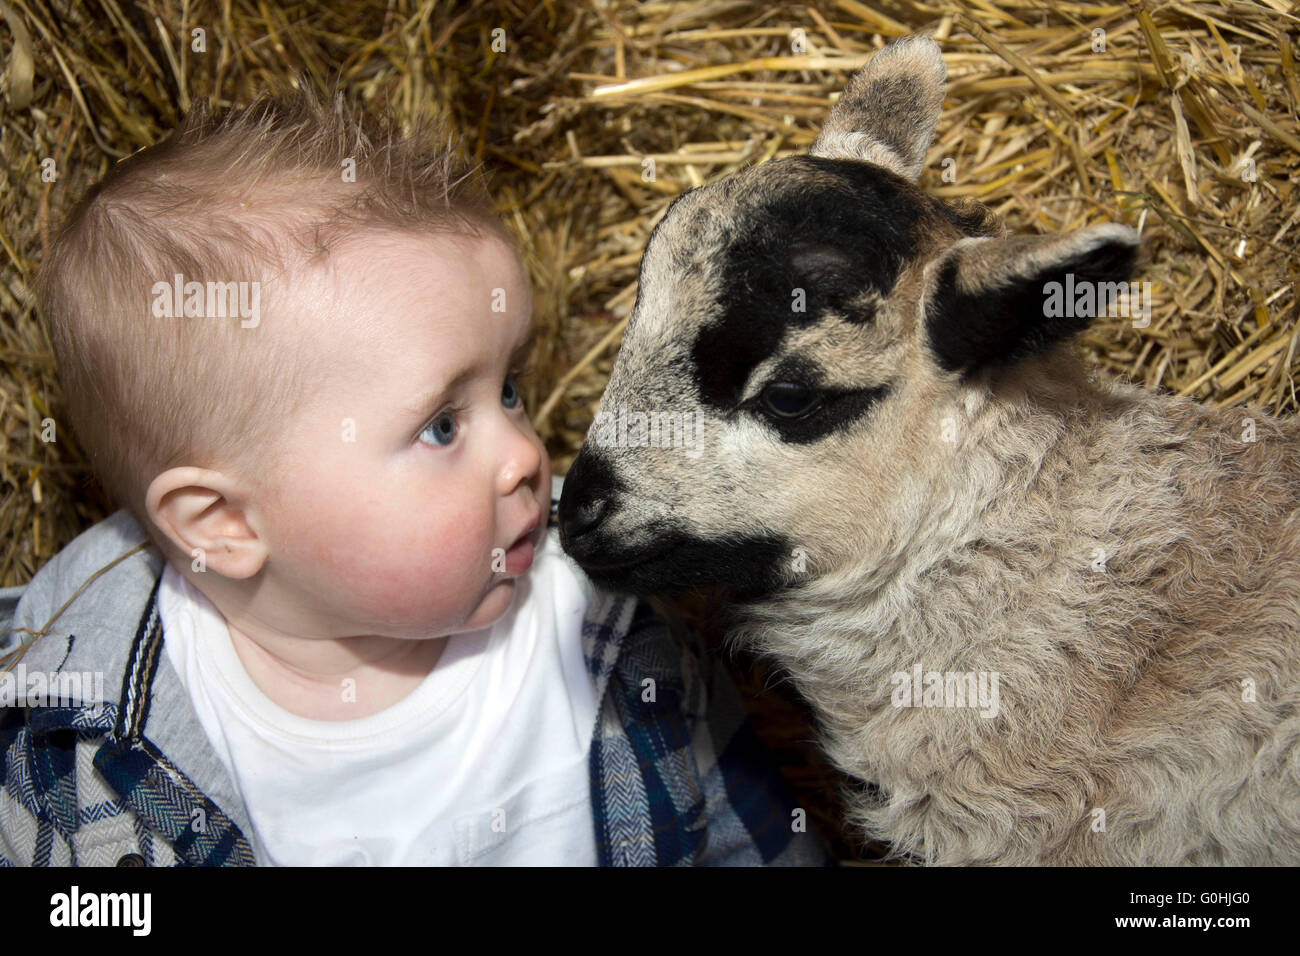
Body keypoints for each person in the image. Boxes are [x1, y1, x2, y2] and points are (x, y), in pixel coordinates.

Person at [0, 88, 832, 866]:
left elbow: (747, 839)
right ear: (224, 525)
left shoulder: (602, 629)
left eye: (509, 389)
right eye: (441, 426)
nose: (524, 455)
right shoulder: (85, 741)